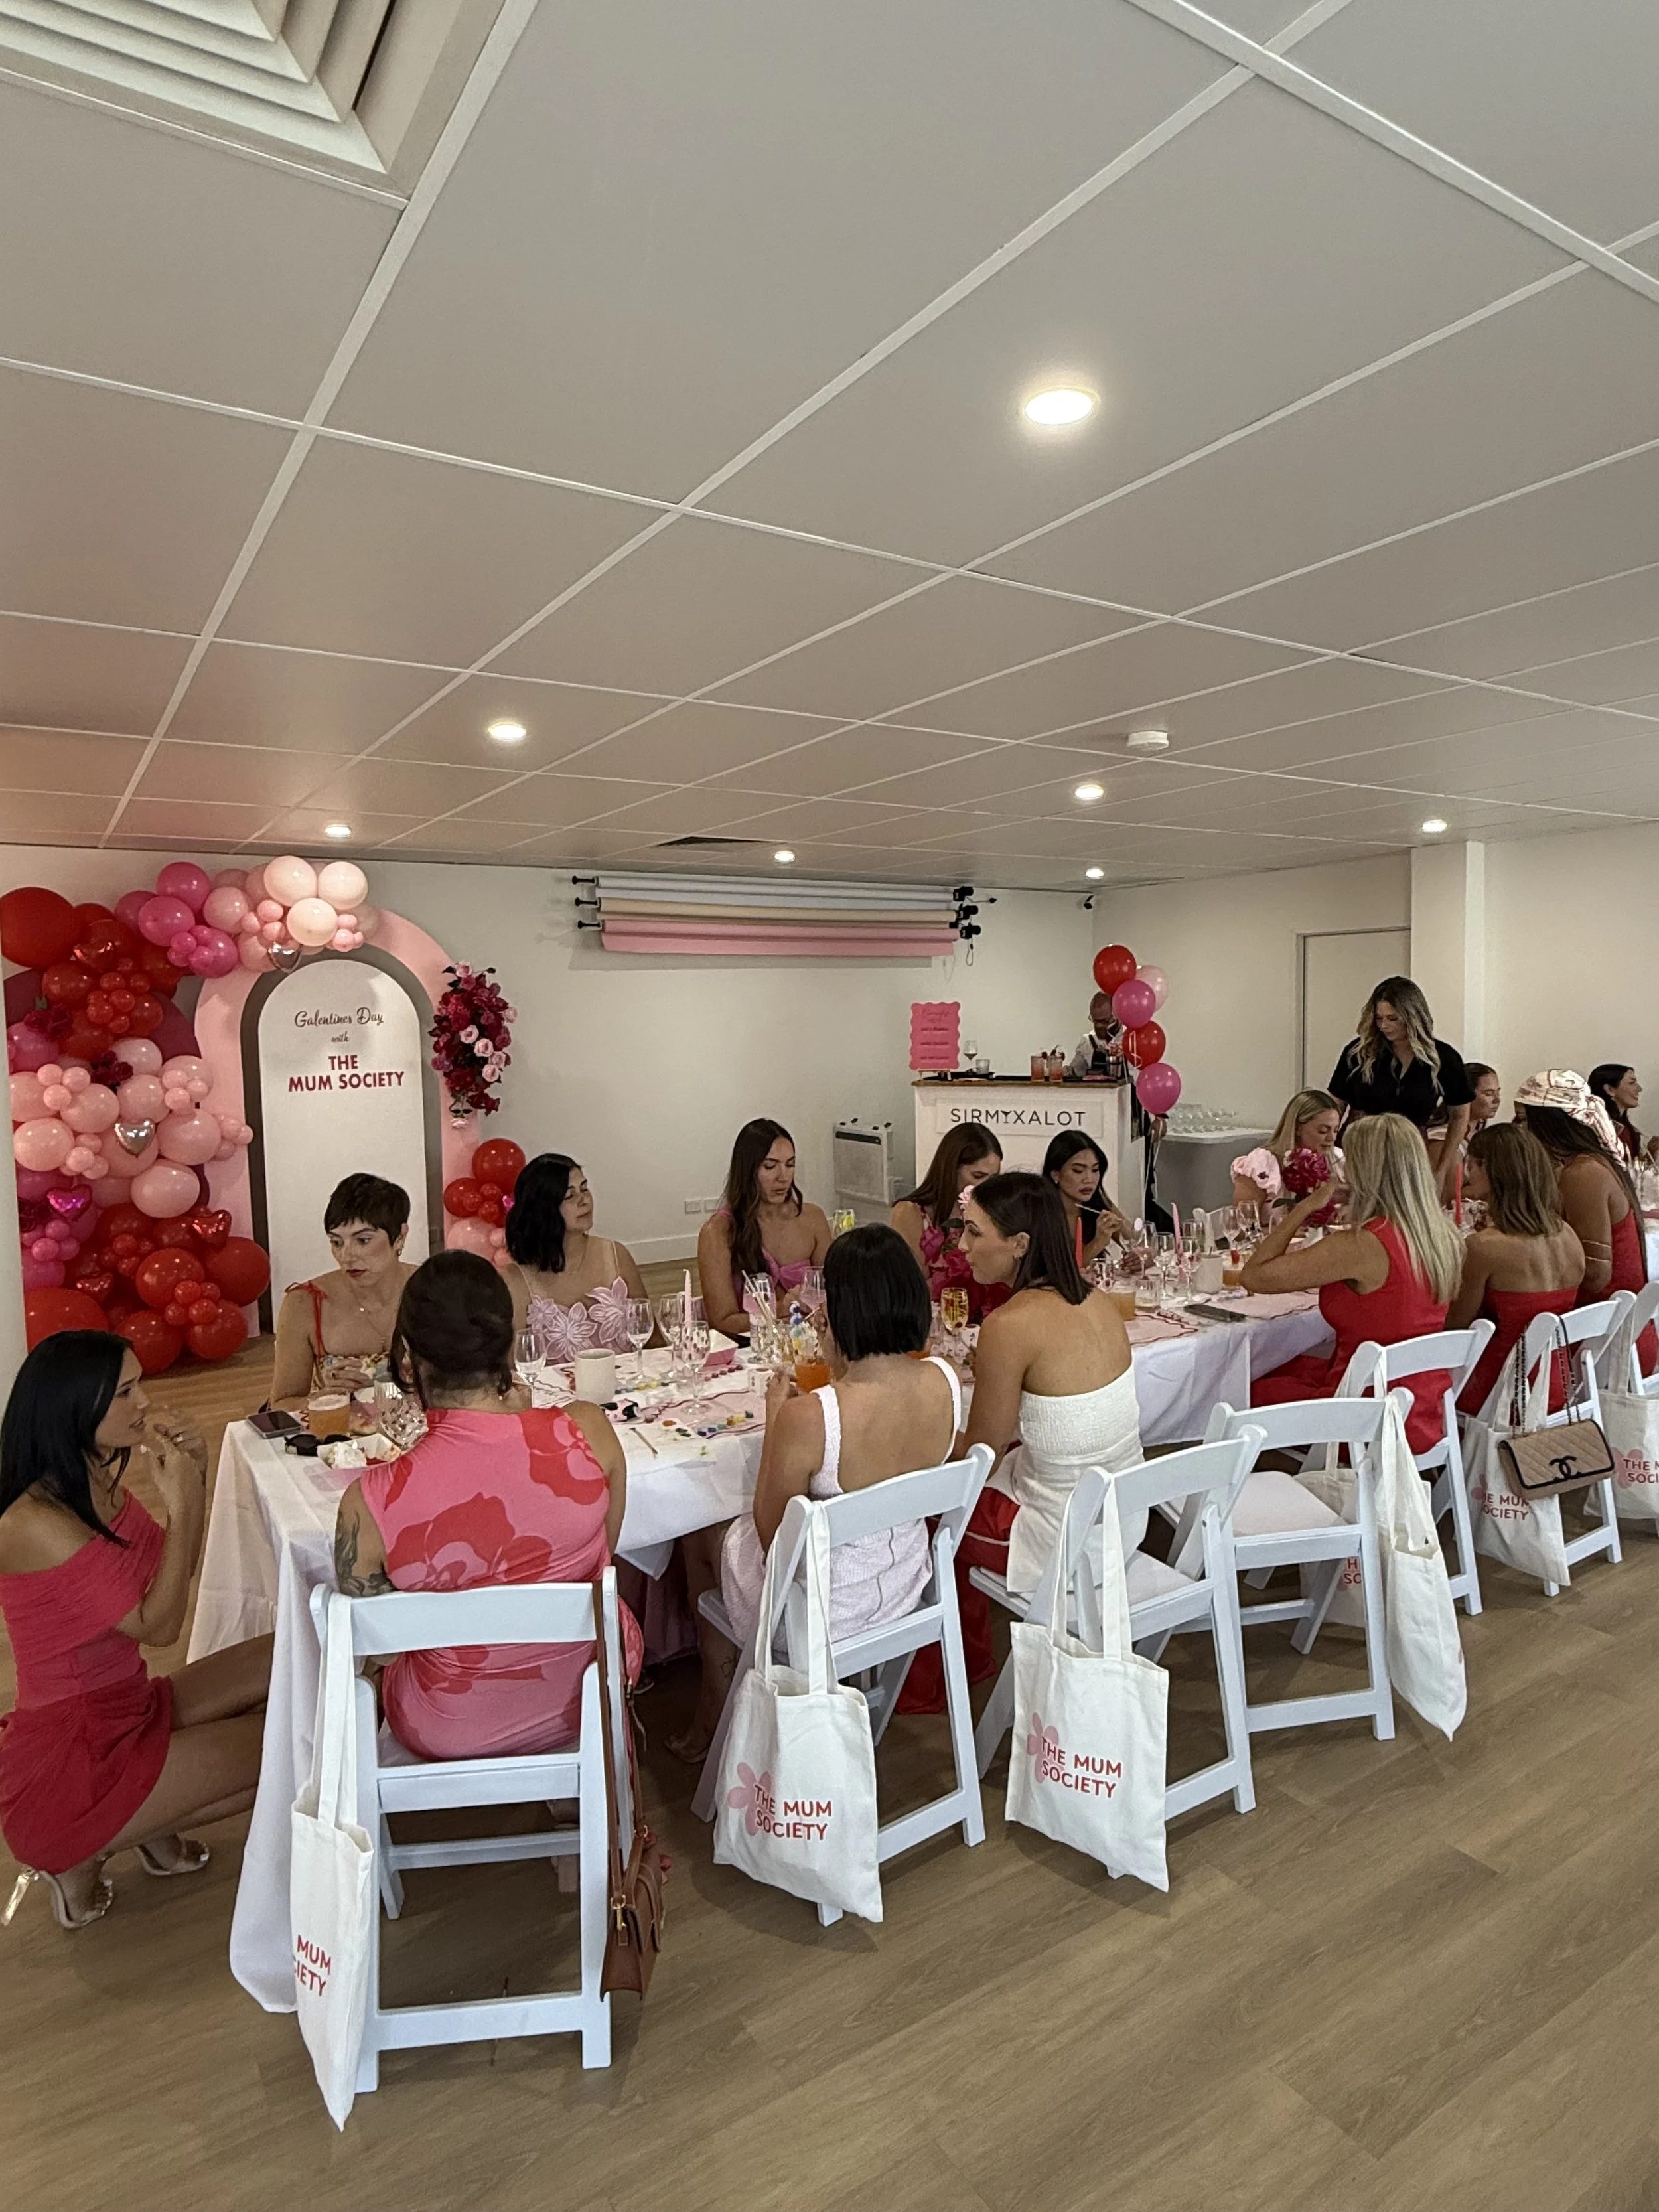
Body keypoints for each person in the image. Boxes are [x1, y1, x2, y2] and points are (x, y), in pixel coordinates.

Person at [0, 1334, 271, 1929]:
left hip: (127, 1703)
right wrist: (181, 1502)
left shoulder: (89, 1478)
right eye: (125, 1392)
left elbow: (176, 1572)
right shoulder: (32, 1519)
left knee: (290, 1661)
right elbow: (163, 1623)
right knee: (286, 1747)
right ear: (74, 1408)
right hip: (76, 1748)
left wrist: (193, 1481)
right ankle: (87, 1845)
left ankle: (146, 1820)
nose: (145, 1402)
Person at [332, 1252, 640, 1761]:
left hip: (448, 1724)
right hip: (587, 1690)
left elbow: (379, 1647)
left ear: (408, 1355)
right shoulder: (588, 1431)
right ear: (510, 1338)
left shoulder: (367, 1503)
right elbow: (604, 1552)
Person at [672, 1226, 959, 1761]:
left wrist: (780, 1417)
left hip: (822, 1608)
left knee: (705, 1524)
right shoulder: (943, 1378)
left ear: (842, 1312)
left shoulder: (814, 1414)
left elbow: (772, 1535)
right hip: (906, 1584)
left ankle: (718, 1698)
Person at [956, 1172, 1143, 1601]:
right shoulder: (1096, 1298)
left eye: (973, 1232)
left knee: (926, 1509)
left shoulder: (1008, 1325)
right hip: (1128, 1515)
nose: (962, 1246)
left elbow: (980, 1457)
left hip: (1068, 1537)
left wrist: (924, 1440)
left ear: (1020, 1244)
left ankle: (962, 1663)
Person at [1243, 1113, 1462, 1452]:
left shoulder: (1361, 1245)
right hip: (1422, 1405)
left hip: (1363, 1415)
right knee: (1283, 1365)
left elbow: (1254, 1276)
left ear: (1365, 1171)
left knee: (1240, 1388)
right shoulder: (1440, 1234)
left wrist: (1304, 1208)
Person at [1513, 1071, 1656, 1374]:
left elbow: (1595, 1275)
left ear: (1549, 1124)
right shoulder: (1583, 1164)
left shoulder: (1583, 1173)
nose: (1520, 1132)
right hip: (1608, 1332)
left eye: (1524, 1121)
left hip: (1605, 1343)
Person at [1449, 1122, 1585, 1415]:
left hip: (1500, 1392)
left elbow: (1455, 1330)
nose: (1467, 1173)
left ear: (1488, 1169)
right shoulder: (1568, 1235)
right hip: (1554, 1383)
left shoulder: (1485, 1247)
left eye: (1470, 1164)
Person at [271, 1172, 415, 1412]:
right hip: (340, 1442)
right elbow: (281, 1404)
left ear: (400, 1237)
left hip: (425, 1432)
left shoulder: (432, 1289)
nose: (347, 1257)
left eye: (363, 1241)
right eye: (337, 1243)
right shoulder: (306, 1303)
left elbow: (466, 1383)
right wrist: (325, 1398)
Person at [1327, 976, 1473, 1204]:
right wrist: (1326, 1153)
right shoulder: (1358, 1053)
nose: (1384, 1026)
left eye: (1393, 1019)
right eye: (1379, 1019)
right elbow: (1334, 1106)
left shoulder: (1444, 1058)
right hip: (1360, 1148)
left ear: (1413, 1017)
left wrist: (1442, 1169)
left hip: (1410, 1152)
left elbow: (1460, 1114)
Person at [501, 1153, 656, 1359]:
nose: (585, 1201)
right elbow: (515, 1367)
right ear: (543, 1209)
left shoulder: (616, 1255)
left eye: (584, 1189)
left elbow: (652, 1340)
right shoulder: (515, 1280)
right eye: (570, 1196)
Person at [697, 1118, 831, 1339]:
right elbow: (722, 1322)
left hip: (808, 1345)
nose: (783, 1177)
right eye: (770, 1166)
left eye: (790, 1164)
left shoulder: (812, 1218)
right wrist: (780, 1309)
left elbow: (833, 1293)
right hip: (749, 1350)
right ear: (748, 1170)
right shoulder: (719, 1232)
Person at [892, 1122, 1009, 1323]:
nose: (987, 1187)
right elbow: (910, 1290)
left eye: (994, 1178)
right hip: (928, 1323)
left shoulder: (994, 1215)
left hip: (983, 1322)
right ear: (951, 1169)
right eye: (978, 1176)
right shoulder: (910, 1212)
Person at [1230, 1090, 1344, 1218]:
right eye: (1323, 1131)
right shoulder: (1263, 1164)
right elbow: (1241, 1229)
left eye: (1336, 1130)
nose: (1332, 1138)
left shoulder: (1339, 1160)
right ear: (1298, 1128)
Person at [1043, 1130, 1131, 1268]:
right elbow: (1061, 1274)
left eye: (1095, 1170)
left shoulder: (1099, 1204)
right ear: (1056, 1175)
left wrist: (1143, 1256)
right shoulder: (1040, 1211)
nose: (1089, 1179)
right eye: (1078, 1171)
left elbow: (1138, 1243)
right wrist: (1098, 1242)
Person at [1588, 1065, 1659, 1166]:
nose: (1639, 1089)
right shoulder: (1599, 1131)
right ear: (1610, 1090)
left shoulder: (1626, 1130)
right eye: (1632, 1083)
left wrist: (1651, 1153)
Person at [1068, 991, 1124, 1080]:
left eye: (1104, 1021)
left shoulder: (1131, 1039)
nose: (1099, 1026)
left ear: (1117, 1016)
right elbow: (1075, 1073)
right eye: (1095, 1021)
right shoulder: (1088, 1042)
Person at [1467, 1063, 1502, 1133]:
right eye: (1489, 1094)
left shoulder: (1481, 1131)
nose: (1497, 1100)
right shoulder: (1444, 1137)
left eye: (1498, 1093)